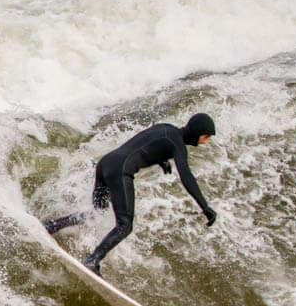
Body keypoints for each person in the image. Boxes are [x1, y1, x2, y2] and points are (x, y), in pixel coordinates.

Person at [44, 113, 218, 274]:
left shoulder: (166, 128)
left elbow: (146, 143)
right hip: (120, 170)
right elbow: (187, 176)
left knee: (97, 213)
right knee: (125, 225)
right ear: (198, 133)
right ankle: (92, 260)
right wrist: (205, 206)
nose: (205, 141)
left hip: (106, 163)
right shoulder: (177, 144)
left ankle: (51, 225)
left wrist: (161, 159)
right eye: (206, 137)